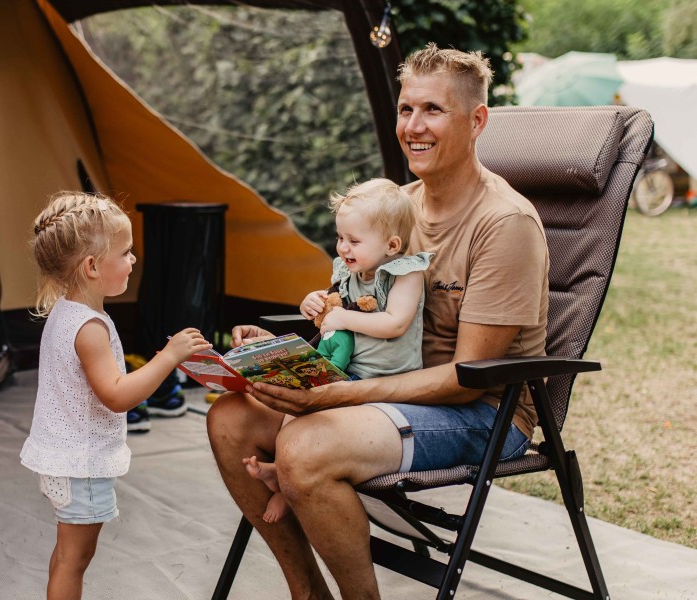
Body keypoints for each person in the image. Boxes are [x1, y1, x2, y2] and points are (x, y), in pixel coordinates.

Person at [207, 42, 549, 599]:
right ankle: (307, 591)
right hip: (383, 392)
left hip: (483, 414)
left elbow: (468, 380)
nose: (413, 126)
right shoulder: (393, 209)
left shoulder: (505, 224)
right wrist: (287, 348)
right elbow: (348, 317)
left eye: (433, 109)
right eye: (405, 109)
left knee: (305, 450)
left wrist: (335, 399)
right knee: (229, 419)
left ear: (477, 119)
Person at [19, 191, 211, 600]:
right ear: (91, 266)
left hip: (63, 457)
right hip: (81, 463)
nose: (133, 260)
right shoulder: (90, 328)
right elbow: (117, 396)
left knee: (65, 555)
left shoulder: (64, 310)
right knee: (75, 560)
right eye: (125, 252)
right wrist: (169, 357)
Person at [244, 179, 433, 524]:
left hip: (390, 383)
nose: (343, 247)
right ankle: (281, 472)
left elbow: (395, 324)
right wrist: (312, 302)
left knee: (315, 421)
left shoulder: (406, 274)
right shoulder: (350, 270)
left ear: (392, 244)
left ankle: (286, 481)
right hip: (349, 371)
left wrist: (342, 316)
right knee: (297, 397)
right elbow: (333, 303)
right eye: (340, 237)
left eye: (354, 240)